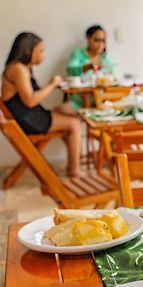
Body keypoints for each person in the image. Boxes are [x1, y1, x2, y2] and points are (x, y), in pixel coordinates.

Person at [1, 32, 82, 178]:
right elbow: (30, 100)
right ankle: (74, 171)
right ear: (28, 50)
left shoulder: (21, 68)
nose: (43, 55)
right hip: (27, 120)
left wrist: (53, 85)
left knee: (64, 112)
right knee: (75, 124)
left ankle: (73, 161)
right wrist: (51, 85)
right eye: (40, 51)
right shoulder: (18, 69)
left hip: (30, 115)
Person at [66, 25, 114, 109]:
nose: (100, 44)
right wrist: (87, 67)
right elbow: (70, 69)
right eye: (97, 40)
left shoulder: (105, 60)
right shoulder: (78, 54)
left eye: (103, 41)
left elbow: (112, 79)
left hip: (101, 100)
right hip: (80, 102)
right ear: (88, 38)